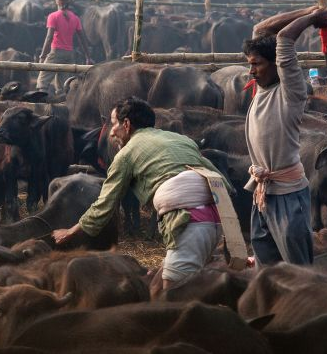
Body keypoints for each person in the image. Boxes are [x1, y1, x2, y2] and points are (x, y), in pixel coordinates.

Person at [52, 97, 229, 289]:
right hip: (215, 221)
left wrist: (69, 232)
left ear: (126, 124)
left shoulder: (126, 154)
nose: (111, 133)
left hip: (188, 221)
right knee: (156, 286)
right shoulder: (181, 139)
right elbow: (220, 180)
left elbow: (104, 206)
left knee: (173, 296)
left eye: (113, 124)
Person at [243, 6, 327, 267]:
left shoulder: (290, 90)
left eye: (256, 64)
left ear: (277, 66)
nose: (251, 71)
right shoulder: (262, 86)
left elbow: (283, 40)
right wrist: (309, 11)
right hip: (262, 193)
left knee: (297, 270)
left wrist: (312, 20)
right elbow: (262, 30)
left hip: (287, 195)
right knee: (266, 270)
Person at [36, 0, 91, 96]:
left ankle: (40, 104)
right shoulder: (75, 18)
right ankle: (62, 107)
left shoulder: (53, 16)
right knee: (63, 87)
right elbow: (83, 38)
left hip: (56, 52)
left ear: (56, 1)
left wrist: (43, 55)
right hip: (69, 54)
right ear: (68, 2)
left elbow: (49, 37)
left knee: (43, 81)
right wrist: (88, 57)